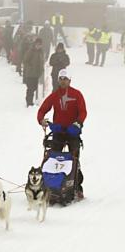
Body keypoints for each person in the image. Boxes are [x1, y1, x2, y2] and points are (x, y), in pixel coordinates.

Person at [37, 69, 87, 198]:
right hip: (58, 132)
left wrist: (78, 123)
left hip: (73, 132)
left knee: (74, 161)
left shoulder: (77, 94)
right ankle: (50, 186)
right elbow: (43, 109)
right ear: (58, 80)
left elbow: (83, 112)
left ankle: (76, 188)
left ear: (70, 80)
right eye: (61, 78)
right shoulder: (55, 95)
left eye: (65, 79)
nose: (63, 81)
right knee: (53, 160)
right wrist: (41, 119)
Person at [23, 37, 44, 107]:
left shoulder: (41, 52)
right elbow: (25, 60)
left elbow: (42, 62)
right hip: (30, 73)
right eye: (37, 44)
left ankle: (29, 100)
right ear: (35, 44)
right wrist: (30, 67)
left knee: (34, 87)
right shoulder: (31, 51)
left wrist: (41, 70)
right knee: (30, 88)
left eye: (40, 45)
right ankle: (29, 102)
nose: (38, 46)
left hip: (37, 73)